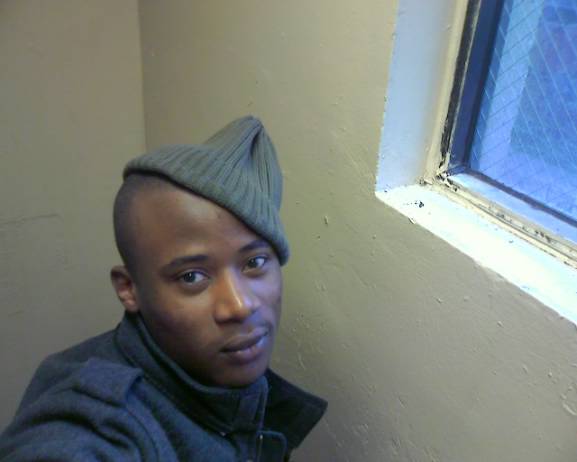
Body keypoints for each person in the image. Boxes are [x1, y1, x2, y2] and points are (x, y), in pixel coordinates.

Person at [0, 116, 327, 461]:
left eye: (255, 262)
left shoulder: (223, 385)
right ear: (129, 289)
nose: (239, 305)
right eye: (192, 277)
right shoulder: (97, 423)